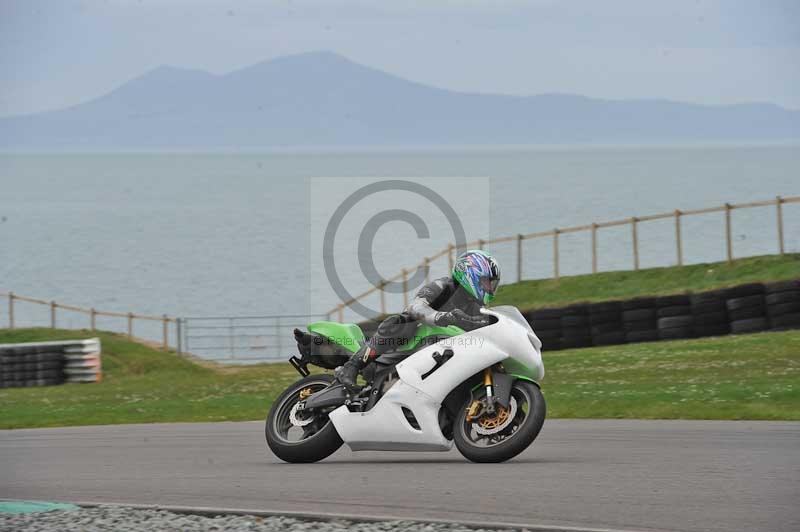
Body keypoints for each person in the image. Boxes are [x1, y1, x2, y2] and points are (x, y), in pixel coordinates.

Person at [335, 249, 501, 389]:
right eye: (487, 282)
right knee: (404, 322)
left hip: (440, 361)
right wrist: (442, 316)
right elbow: (415, 307)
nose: (490, 288)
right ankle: (352, 366)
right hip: (406, 348)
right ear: (470, 274)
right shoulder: (444, 286)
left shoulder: (476, 308)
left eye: (492, 284)